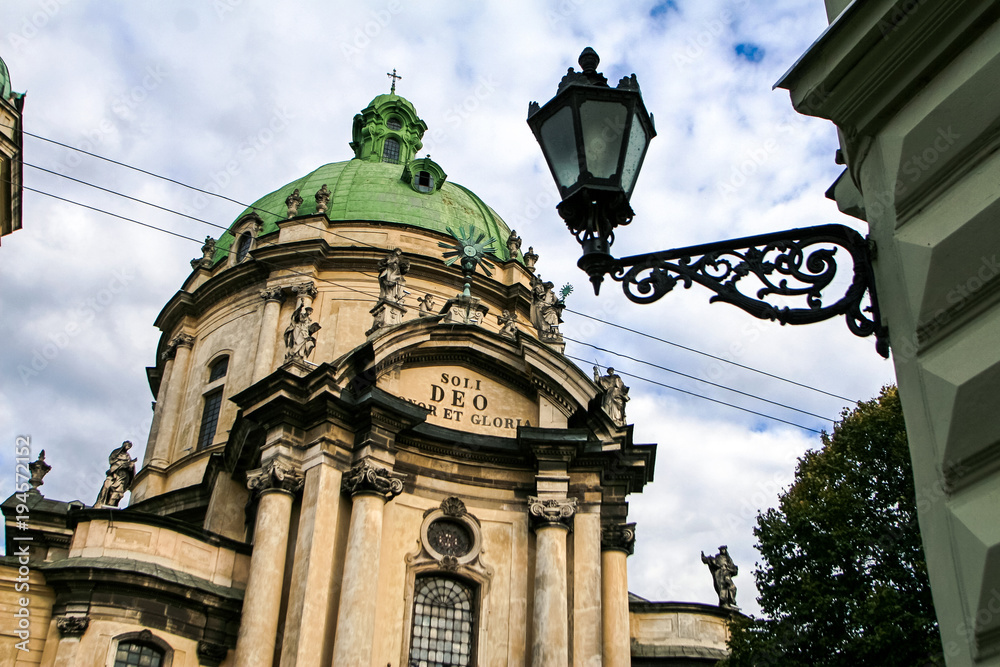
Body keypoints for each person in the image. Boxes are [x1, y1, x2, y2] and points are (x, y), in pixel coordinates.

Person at [95, 441, 137, 507]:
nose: (128, 447)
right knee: (106, 488)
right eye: (128, 445)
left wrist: (130, 465)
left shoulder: (127, 456)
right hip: (114, 474)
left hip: (123, 476)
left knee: (118, 492)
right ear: (124, 445)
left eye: (129, 446)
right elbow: (112, 460)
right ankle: (103, 503)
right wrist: (120, 465)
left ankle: (111, 505)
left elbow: (130, 468)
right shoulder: (116, 452)